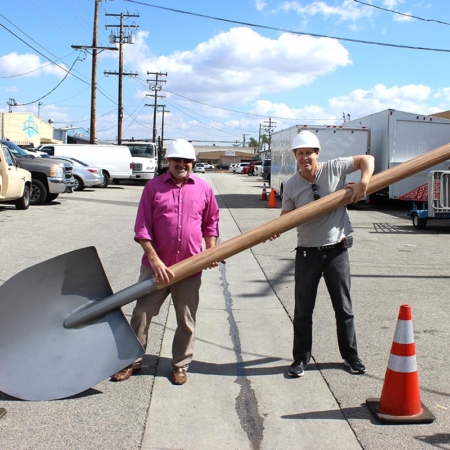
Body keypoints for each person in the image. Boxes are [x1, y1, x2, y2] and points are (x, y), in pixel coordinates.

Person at [111, 139, 220, 386]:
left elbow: (210, 223)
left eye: (187, 161)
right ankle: (131, 361)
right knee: (142, 313)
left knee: (186, 319)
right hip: (156, 268)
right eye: (177, 160)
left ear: (193, 163)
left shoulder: (204, 189)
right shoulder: (153, 187)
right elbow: (142, 228)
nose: (182, 164)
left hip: (189, 268)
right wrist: (155, 260)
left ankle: (180, 365)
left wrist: (211, 250)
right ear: (168, 161)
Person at [280, 130, 374, 378]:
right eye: (300, 153)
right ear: (295, 156)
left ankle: (351, 357)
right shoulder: (291, 185)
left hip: (336, 251)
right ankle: (301, 359)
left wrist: (364, 181)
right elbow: (286, 218)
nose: (305, 157)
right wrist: (271, 229)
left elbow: (367, 159)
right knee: (303, 311)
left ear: (317, 153)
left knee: (344, 309)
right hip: (306, 255)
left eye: (309, 152)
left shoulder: (334, 168)